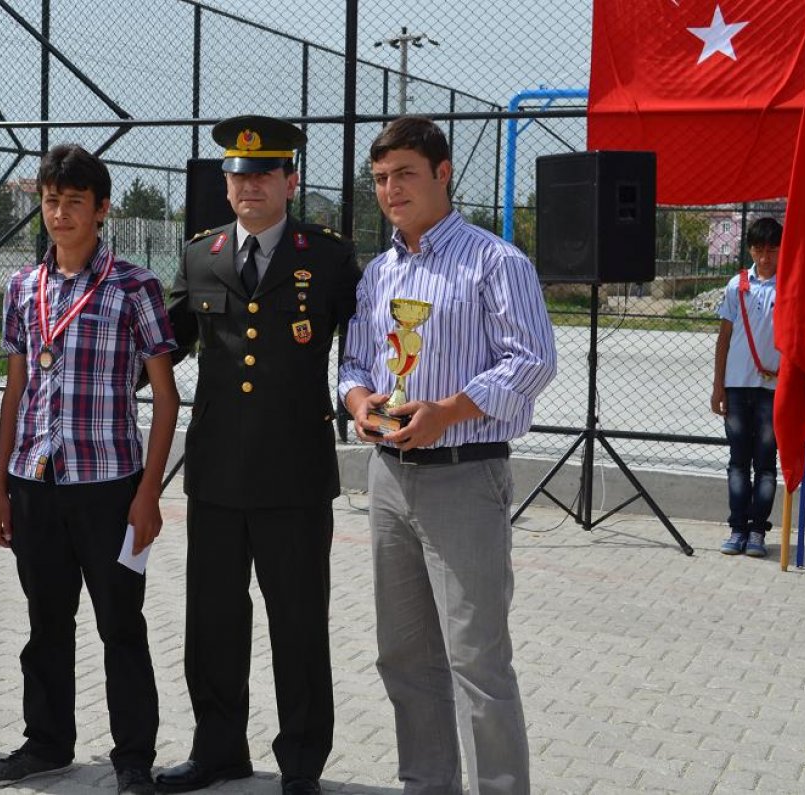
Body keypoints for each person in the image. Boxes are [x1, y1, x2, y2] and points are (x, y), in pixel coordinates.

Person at [339, 116, 556, 795]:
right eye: (380, 178)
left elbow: (532, 361)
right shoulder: (380, 272)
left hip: (465, 475)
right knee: (404, 657)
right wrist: (360, 402)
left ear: (442, 173)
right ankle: (426, 785)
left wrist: (449, 411)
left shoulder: (495, 261)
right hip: (389, 479)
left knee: (477, 662)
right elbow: (354, 361)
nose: (391, 190)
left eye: (404, 173)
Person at [155, 115, 360, 795]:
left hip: (295, 475)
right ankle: (218, 750)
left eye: (265, 173)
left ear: (290, 181)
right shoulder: (201, 254)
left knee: (297, 623)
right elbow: (168, 343)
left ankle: (301, 761)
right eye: (239, 174)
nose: (250, 185)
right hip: (216, 473)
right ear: (225, 182)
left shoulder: (327, 257)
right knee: (212, 621)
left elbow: (365, 345)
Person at [0, 144, 179, 794]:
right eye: (50, 200)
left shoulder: (135, 287)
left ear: (101, 209)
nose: (60, 213)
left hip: (110, 487)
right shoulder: (21, 287)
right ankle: (46, 743)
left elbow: (166, 398)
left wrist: (149, 493)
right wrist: (1, 487)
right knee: (45, 622)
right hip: (35, 483)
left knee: (121, 625)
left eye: (74, 202)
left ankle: (133, 759)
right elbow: (16, 391)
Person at [711, 217, 781, 558]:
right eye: (758, 249)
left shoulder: (790, 286)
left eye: (772, 250)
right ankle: (737, 528)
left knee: (766, 464)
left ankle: (757, 531)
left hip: (773, 389)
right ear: (750, 249)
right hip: (737, 386)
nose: (765, 257)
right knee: (738, 462)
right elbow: (724, 338)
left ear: (781, 250)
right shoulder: (736, 286)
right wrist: (718, 386)